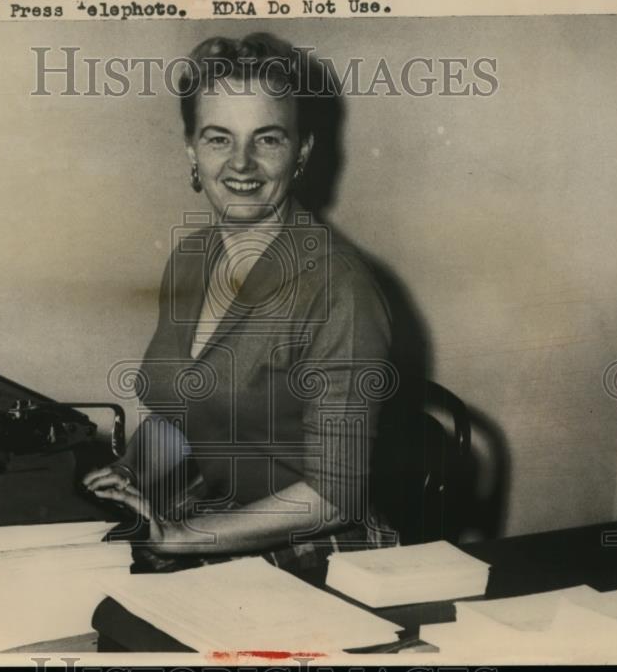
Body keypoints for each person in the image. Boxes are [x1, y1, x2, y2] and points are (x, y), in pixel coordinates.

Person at [84, 33, 399, 571]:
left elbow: (333, 497)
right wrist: (131, 475)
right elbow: (179, 414)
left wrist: (184, 537)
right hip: (213, 530)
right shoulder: (192, 257)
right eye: (218, 139)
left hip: (321, 559)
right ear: (191, 149)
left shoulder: (339, 289)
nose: (242, 164)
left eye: (268, 139)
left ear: (301, 153)